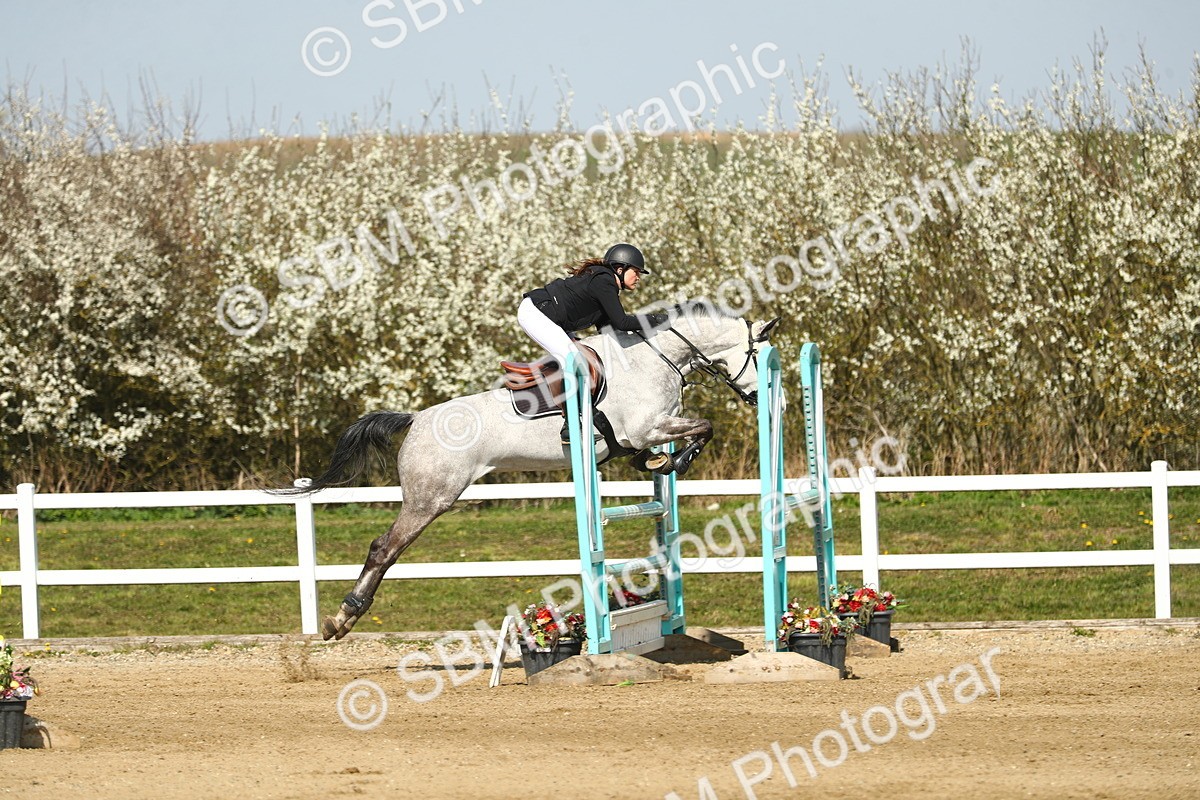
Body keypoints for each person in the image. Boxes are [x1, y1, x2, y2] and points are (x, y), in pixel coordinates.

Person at [518, 243, 668, 444]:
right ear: (620, 269)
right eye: (636, 271)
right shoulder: (604, 281)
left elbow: (608, 330)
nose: (638, 277)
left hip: (550, 317)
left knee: (585, 357)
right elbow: (622, 322)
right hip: (535, 313)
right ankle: (570, 427)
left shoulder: (604, 285)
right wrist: (656, 319)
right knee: (573, 359)